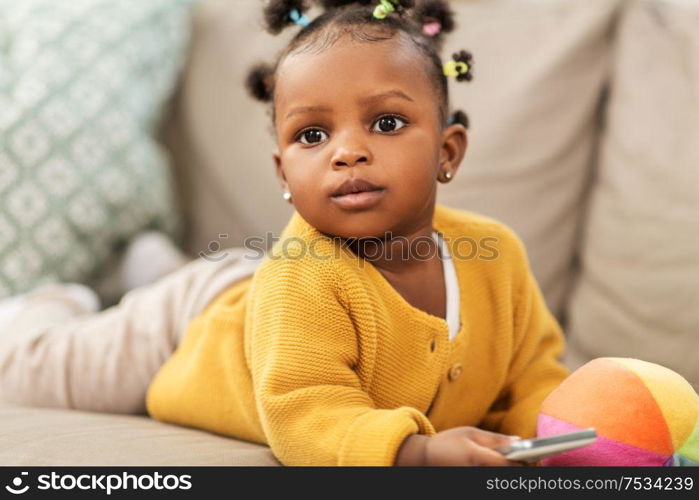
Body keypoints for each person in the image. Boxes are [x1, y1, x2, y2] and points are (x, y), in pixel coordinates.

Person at [0, 0, 569, 466]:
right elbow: (306, 411)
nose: (348, 151)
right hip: (188, 329)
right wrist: (414, 454)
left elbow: (532, 373)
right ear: (284, 175)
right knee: (30, 370)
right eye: (313, 135)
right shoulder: (302, 281)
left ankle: (155, 264)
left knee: (214, 281)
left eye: (387, 123)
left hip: (247, 290)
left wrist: (559, 438)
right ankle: (50, 301)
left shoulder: (497, 258)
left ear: (448, 152)